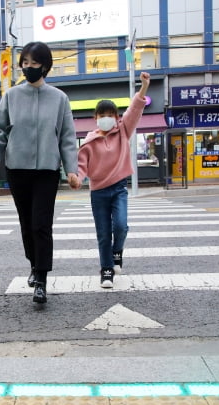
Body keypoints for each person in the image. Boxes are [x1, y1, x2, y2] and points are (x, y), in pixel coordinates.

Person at [0, 41, 79, 304]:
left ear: (45, 66)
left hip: (47, 171)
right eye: (24, 63)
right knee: (26, 224)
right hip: (17, 169)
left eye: (33, 63)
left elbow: (67, 138)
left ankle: (41, 278)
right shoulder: (12, 96)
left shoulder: (59, 99)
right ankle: (33, 263)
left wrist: (71, 170)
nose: (28, 68)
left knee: (41, 224)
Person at [73, 72, 151, 288]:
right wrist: (77, 179)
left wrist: (143, 87)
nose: (106, 118)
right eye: (102, 114)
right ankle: (106, 270)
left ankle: (118, 251)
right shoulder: (88, 142)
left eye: (111, 114)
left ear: (117, 117)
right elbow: (81, 167)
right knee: (103, 233)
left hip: (118, 188)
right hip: (98, 192)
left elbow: (135, 110)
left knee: (121, 226)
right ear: (95, 118)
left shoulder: (123, 131)